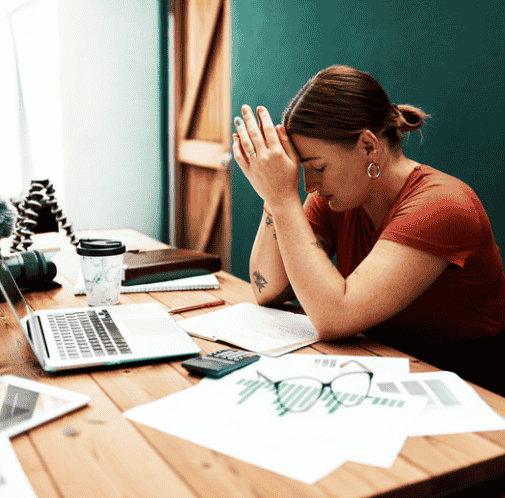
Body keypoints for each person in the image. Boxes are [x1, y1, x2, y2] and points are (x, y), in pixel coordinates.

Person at [232, 64, 505, 395]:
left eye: (317, 167)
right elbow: (269, 290)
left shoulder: (442, 205)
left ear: (368, 146)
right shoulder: (340, 197)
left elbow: (335, 317)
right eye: (301, 170)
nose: (309, 185)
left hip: (466, 383)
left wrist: (283, 197)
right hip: (380, 362)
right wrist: (273, 197)